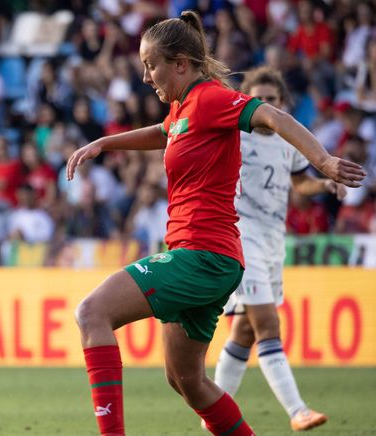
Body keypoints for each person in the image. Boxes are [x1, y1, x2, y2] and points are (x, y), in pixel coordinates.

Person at [66, 11, 365, 436]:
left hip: (204, 256)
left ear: (182, 63)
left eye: (151, 65)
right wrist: (103, 143)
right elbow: (161, 132)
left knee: (92, 312)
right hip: (207, 258)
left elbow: (272, 117)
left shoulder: (210, 98)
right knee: (188, 381)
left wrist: (323, 161)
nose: (146, 77)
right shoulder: (183, 109)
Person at [213, 66, 339, 432]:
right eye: (259, 99)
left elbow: (300, 183)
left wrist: (325, 186)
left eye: (273, 99)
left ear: (283, 103)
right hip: (241, 236)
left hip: (272, 241)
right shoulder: (236, 134)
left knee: (245, 333)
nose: (266, 104)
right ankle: (297, 410)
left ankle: (214, 410)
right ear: (247, 101)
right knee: (267, 324)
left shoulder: (289, 140)